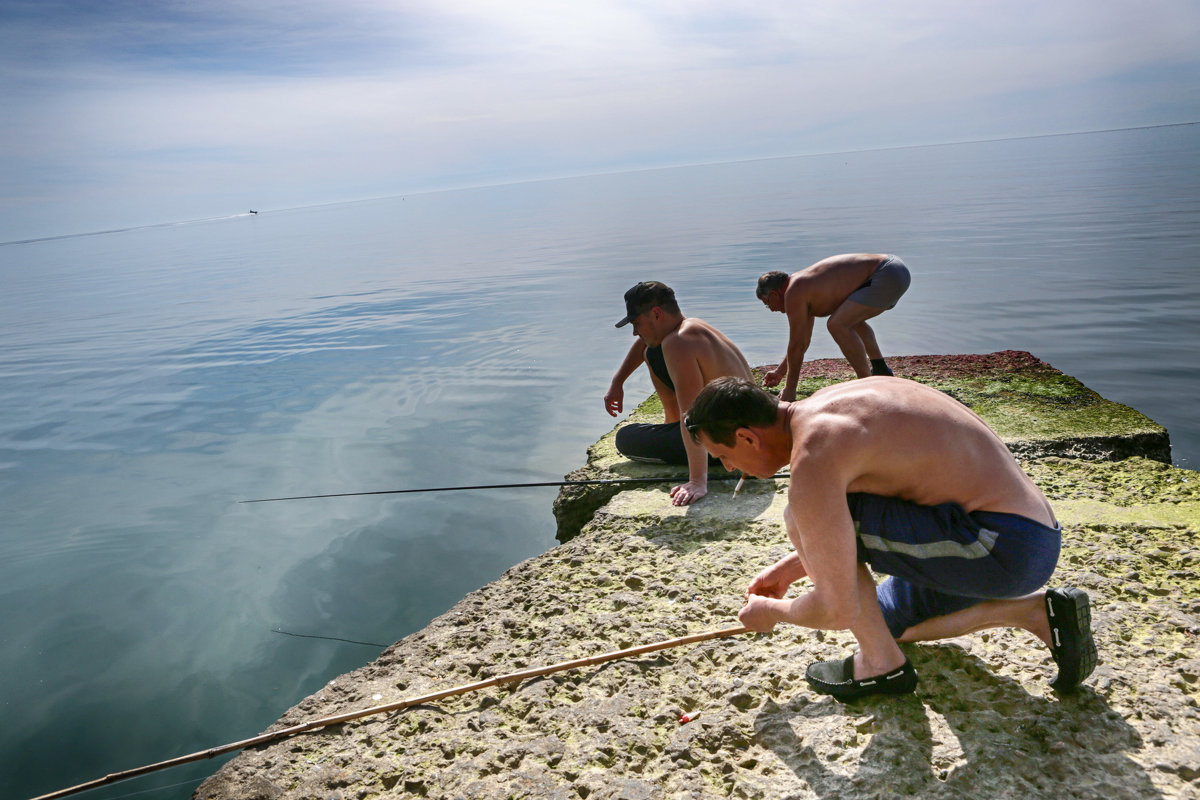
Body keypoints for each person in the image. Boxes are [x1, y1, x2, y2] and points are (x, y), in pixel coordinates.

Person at [683, 375, 1097, 700]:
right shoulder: (833, 404)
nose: (731, 468)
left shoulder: (813, 457)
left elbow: (838, 609)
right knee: (885, 620)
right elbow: (877, 506)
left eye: (723, 456)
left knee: (797, 515)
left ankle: (880, 666)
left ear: (746, 437)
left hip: (1000, 546)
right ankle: (1033, 613)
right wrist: (795, 566)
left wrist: (773, 612)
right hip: (1028, 534)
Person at [606, 281, 754, 506]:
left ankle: (682, 445)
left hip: (731, 441)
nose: (635, 331)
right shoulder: (693, 327)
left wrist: (697, 481)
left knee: (625, 438)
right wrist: (618, 382)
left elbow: (691, 416)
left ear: (656, 313)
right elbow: (644, 344)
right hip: (752, 431)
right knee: (651, 352)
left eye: (636, 323)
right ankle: (670, 426)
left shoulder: (678, 343)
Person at [757, 253, 911, 400]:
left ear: (774, 294)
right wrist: (779, 372)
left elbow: (796, 345)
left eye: (767, 304)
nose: (772, 309)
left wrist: (790, 390)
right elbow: (802, 342)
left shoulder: (794, 291)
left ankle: (866, 384)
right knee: (849, 321)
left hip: (886, 273)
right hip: (895, 269)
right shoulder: (800, 288)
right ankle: (881, 370)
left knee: (838, 324)